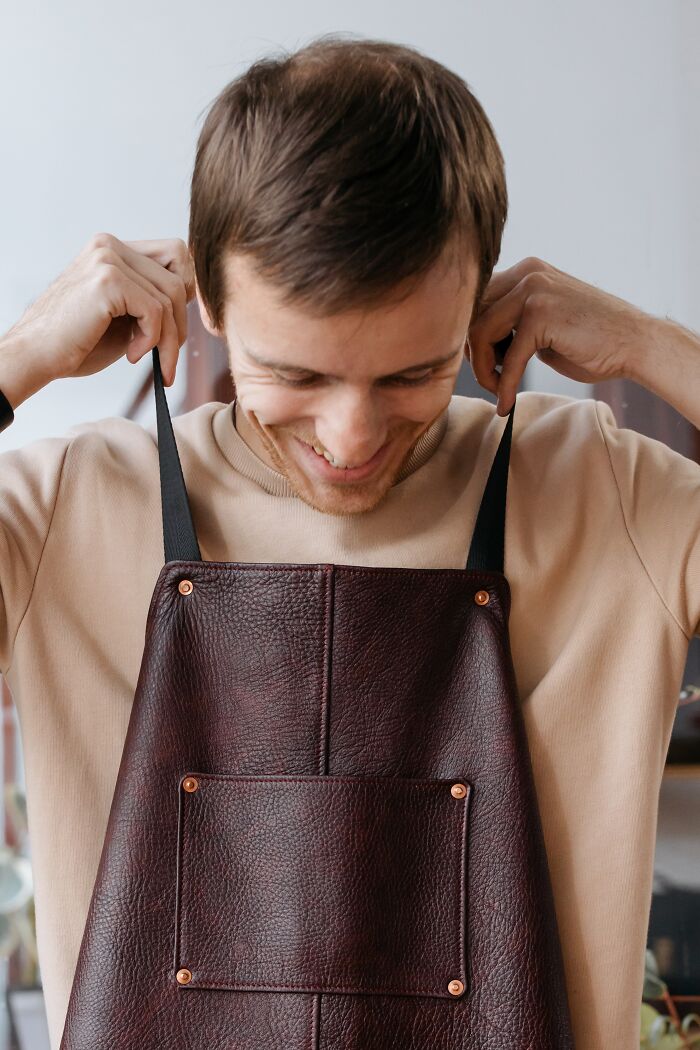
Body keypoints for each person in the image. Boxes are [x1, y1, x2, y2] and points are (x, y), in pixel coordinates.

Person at [0, 34, 697, 1050]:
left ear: (477, 306)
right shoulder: (65, 506)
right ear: (209, 304)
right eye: (296, 375)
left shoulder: (601, 492)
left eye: (412, 374)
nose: (352, 437)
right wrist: (20, 354)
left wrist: (650, 345)